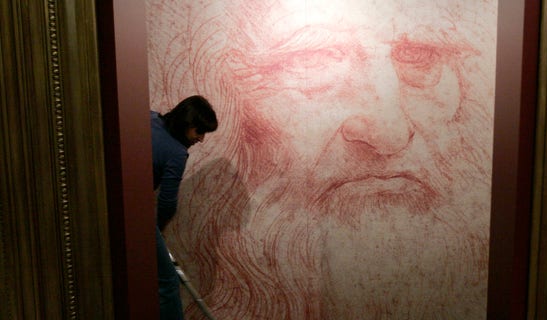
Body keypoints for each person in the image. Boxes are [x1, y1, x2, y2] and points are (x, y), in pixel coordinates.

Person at [147, 0, 496, 318]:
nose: (389, 134)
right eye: (311, 59)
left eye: (419, 54)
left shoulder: (150, 125)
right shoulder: (175, 151)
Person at [151, 95, 218, 320]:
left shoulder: (149, 118)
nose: (201, 139)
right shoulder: (177, 152)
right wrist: (157, 228)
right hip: (133, 215)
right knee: (168, 282)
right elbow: (167, 202)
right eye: (199, 132)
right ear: (188, 125)